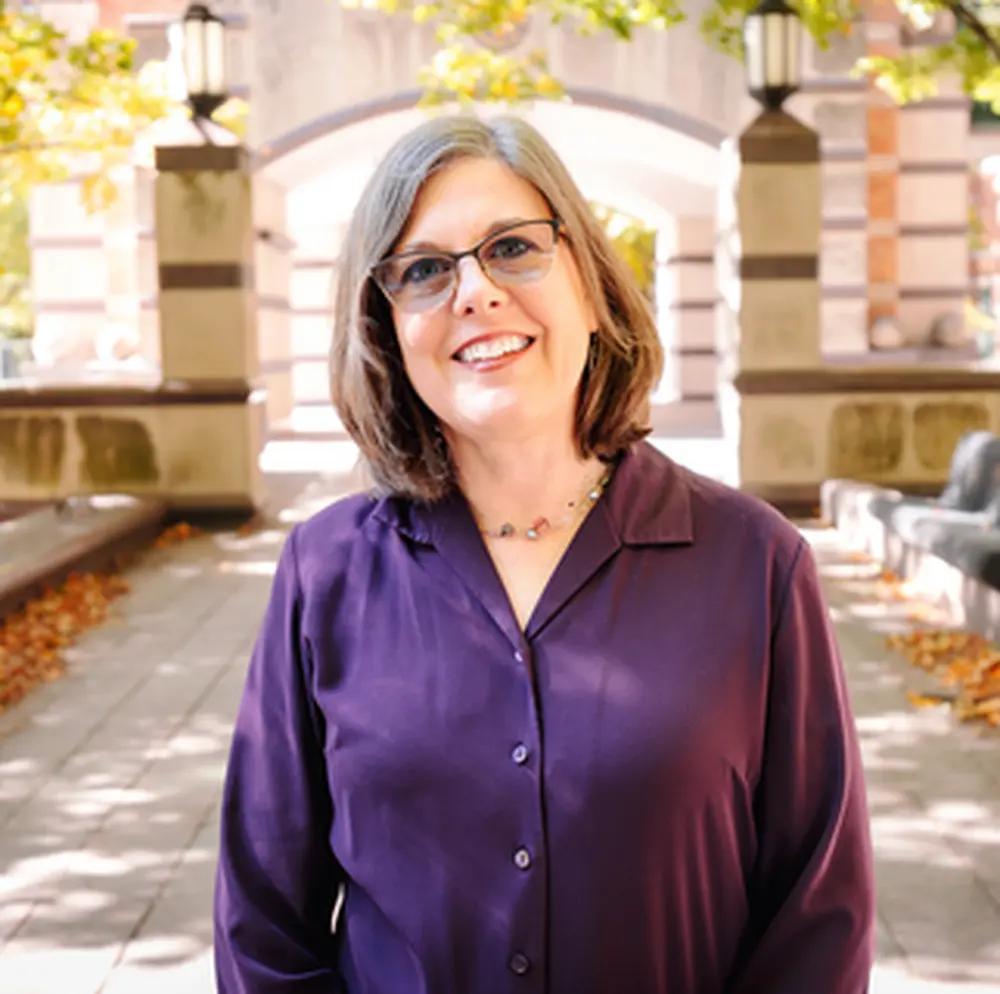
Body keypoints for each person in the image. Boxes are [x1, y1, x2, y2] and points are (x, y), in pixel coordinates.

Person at [214, 113, 875, 994]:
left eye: (514, 248)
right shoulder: (323, 573)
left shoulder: (756, 564)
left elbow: (817, 920)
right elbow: (263, 929)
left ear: (592, 288)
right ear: (389, 330)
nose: (475, 293)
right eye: (423, 270)